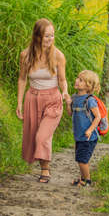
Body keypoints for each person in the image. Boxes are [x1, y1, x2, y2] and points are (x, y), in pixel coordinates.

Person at [16, 18, 71, 183]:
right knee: (33, 136)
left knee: (42, 136)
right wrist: (19, 103)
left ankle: (45, 170)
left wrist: (65, 92)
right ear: (37, 36)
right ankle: (42, 166)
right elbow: (22, 79)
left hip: (53, 100)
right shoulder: (25, 55)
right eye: (46, 36)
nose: (50, 40)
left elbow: (62, 80)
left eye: (52, 36)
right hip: (32, 98)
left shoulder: (58, 56)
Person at [66, 70, 101, 187]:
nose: (77, 81)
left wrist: (90, 130)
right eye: (77, 78)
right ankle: (82, 179)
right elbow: (70, 114)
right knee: (80, 158)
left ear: (88, 85)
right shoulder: (75, 98)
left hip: (89, 137)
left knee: (82, 160)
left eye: (81, 80)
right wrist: (68, 104)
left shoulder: (89, 100)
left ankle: (87, 181)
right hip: (79, 135)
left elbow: (98, 117)